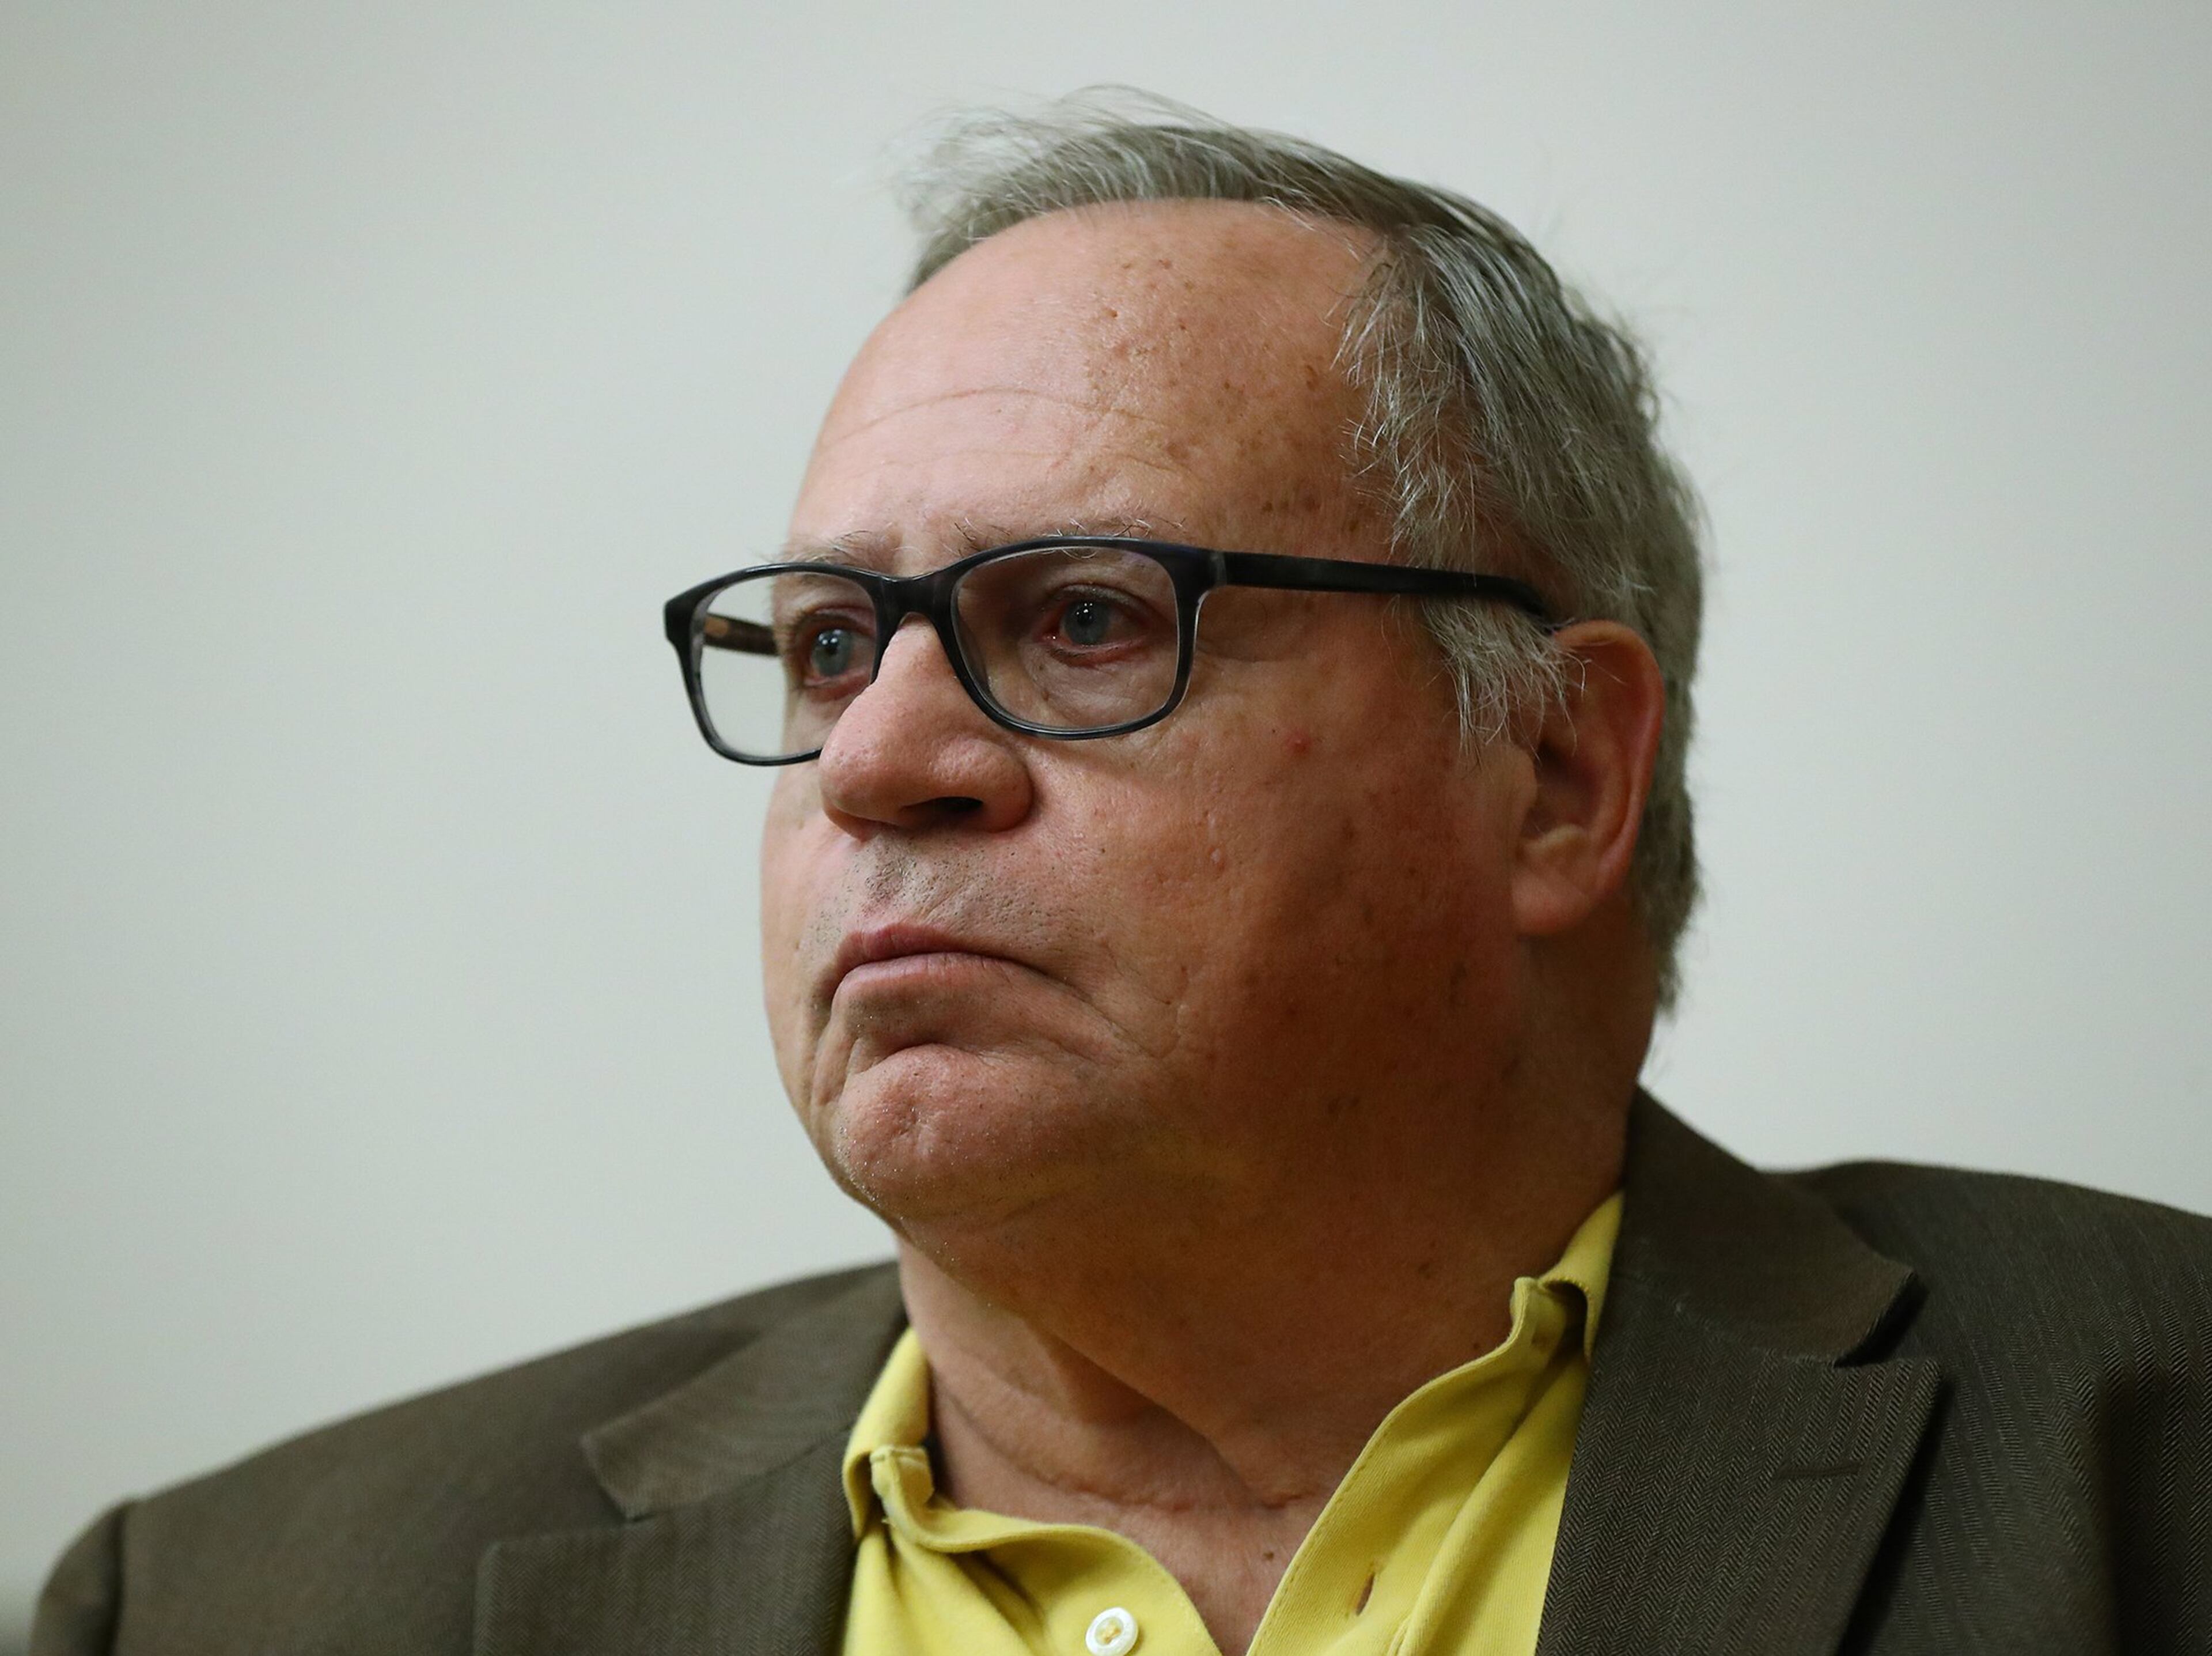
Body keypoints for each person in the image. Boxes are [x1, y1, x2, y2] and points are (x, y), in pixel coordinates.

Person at [32, 93, 2211, 1656]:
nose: (876, 760)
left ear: (1556, 770)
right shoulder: (232, 1604)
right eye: (827, 646)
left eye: (1084, 617)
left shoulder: (2152, 1456)